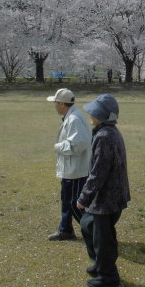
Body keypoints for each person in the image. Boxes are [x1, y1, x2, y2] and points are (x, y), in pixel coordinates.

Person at [76, 94, 130, 287]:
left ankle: (108, 277)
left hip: (107, 198)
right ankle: (100, 265)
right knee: (88, 226)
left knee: (102, 238)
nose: (90, 114)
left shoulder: (106, 135)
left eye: (94, 112)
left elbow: (99, 172)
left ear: (102, 115)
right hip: (110, 196)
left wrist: (84, 197)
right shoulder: (106, 132)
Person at [46, 88, 92, 241]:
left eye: (56, 103)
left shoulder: (74, 119)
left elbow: (78, 145)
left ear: (61, 104)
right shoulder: (71, 116)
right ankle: (65, 230)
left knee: (74, 203)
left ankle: (94, 231)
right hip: (71, 168)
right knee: (66, 200)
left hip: (76, 169)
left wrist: (58, 147)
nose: (54, 106)